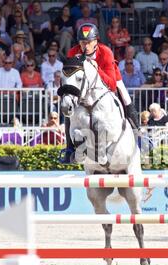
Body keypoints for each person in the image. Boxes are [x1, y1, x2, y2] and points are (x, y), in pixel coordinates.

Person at [60, 23, 138, 163]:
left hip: (108, 79)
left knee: (125, 97)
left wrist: (96, 69)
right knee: (69, 106)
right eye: (83, 42)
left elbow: (111, 84)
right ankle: (69, 148)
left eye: (89, 42)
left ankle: (138, 137)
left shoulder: (106, 51)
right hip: (84, 86)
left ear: (96, 41)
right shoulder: (73, 52)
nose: (86, 46)